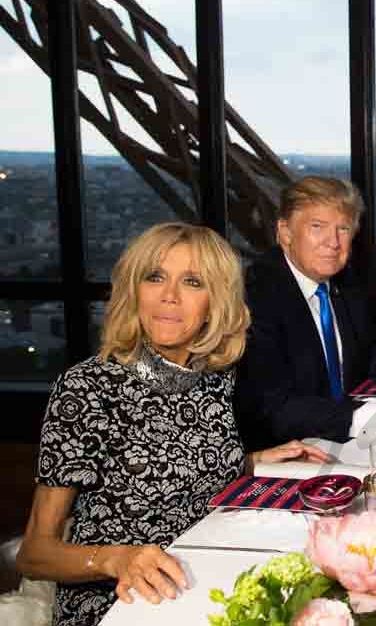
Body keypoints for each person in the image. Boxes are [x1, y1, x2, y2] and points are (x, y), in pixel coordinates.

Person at [15, 223, 329, 626]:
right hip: (119, 602)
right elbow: (34, 553)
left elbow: (184, 466)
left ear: (215, 304)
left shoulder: (214, 377)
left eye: (192, 282)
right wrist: (116, 558)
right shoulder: (87, 389)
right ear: (135, 291)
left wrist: (252, 460)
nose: (169, 295)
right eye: (155, 277)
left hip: (202, 577)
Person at [236, 176, 376, 452]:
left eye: (343, 228)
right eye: (317, 227)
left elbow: (368, 359)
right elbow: (276, 408)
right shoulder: (256, 296)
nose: (333, 242)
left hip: (340, 435)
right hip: (287, 451)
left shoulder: (346, 283)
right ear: (285, 233)